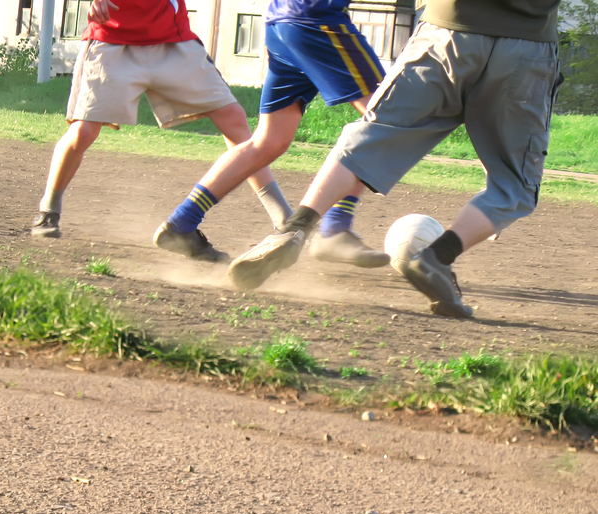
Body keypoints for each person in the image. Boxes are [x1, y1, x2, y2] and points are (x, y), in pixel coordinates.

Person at [226, 0, 563, 318]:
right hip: (527, 47)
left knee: (372, 134)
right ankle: (436, 258)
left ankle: (294, 229)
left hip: (445, 33)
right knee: (515, 185)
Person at [30, 0, 293, 262]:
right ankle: (49, 210)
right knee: (83, 132)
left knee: (233, 118)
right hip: (112, 40)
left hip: (173, 41)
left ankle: (284, 219)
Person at [154, 0, 391, 269]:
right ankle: (335, 227)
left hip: (280, 23)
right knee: (387, 121)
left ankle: (182, 222)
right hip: (319, 20)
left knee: (269, 140)